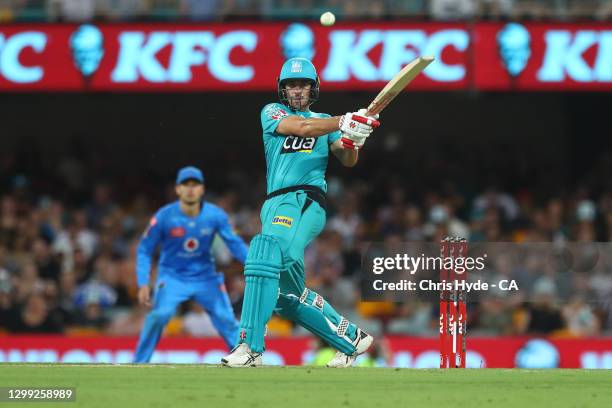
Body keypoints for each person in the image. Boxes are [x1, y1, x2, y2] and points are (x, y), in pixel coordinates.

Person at [222, 57, 380, 367]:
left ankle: (249, 345)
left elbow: (347, 158)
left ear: (313, 88)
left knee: (264, 251)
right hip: (275, 204)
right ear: (283, 90)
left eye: (302, 85)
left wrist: (355, 139)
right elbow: (301, 126)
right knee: (285, 296)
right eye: (290, 85)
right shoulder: (272, 112)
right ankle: (352, 340)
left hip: (304, 200)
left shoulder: (325, 120)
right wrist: (343, 121)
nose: (296, 91)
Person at [134, 166, 248, 363]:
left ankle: (244, 359)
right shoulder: (164, 216)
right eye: (186, 185)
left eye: (195, 185)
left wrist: (255, 267)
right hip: (172, 277)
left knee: (226, 319)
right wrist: (143, 283)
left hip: (206, 277)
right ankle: (138, 363)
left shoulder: (215, 216)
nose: (190, 189)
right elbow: (144, 249)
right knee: (160, 315)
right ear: (178, 189)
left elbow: (235, 244)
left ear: (202, 189)